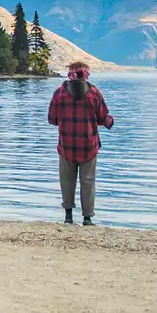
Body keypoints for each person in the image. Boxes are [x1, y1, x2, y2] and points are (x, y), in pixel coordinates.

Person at [48, 61, 114, 226]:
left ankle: (68, 216)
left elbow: (52, 119)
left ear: (70, 74)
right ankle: (87, 218)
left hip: (66, 145)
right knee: (88, 181)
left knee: (67, 181)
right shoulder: (94, 93)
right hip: (88, 145)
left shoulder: (59, 93)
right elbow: (103, 117)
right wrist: (109, 122)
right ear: (86, 74)